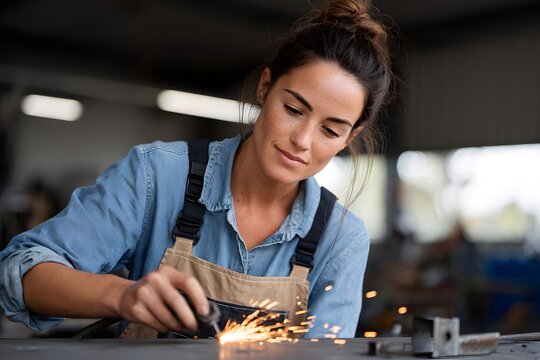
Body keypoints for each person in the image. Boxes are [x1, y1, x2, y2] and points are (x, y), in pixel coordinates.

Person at [0, 0, 393, 339]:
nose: (303, 140)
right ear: (265, 87)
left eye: (330, 130)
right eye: (293, 109)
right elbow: (22, 270)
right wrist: (122, 295)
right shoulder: (156, 176)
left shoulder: (342, 240)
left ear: (350, 137)